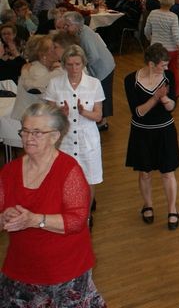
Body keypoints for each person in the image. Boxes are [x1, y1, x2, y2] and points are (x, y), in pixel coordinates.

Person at [0, 102, 106, 306]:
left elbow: (77, 221)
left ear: (55, 136)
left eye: (37, 133)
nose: (28, 138)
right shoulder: (9, 172)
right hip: (20, 270)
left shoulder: (69, 170)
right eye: (25, 131)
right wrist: (4, 218)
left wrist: (34, 220)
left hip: (65, 272)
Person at [44, 45, 104, 221]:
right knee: (64, 179)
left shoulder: (94, 84)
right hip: (65, 140)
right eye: (69, 64)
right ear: (64, 65)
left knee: (89, 179)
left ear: (83, 63)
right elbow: (49, 116)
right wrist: (60, 114)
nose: (74, 68)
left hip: (88, 140)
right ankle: (69, 214)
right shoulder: (55, 84)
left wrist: (84, 112)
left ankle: (86, 217)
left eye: (77, 64)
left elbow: (98, 116)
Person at [124, 43, 179, 230]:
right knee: (145, 173)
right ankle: (147, 205)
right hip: (141, 132)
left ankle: (172, 209)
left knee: (168, 173)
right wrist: (155, 97)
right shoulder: (130, 80)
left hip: (165, 131)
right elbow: (138, 112)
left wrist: (164, 98)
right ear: (150, 64)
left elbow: (172, 107)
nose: (166, 67)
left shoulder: (168, 77)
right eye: (163, 65)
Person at [63, 11, 115, 131]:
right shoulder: (82, 30)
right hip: (101, 65)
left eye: (67, 25)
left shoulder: (85, 36)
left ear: (76, 25)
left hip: (104, 67)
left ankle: (102, 122)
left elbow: (94, 56)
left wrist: (80, 65)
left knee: (103, 94)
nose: (65, 28)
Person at [10, 35, 63, 121]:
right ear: (42, 54)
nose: (56, 50)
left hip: (32, 116)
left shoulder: (36, 68)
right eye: (52, 48)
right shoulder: (37, 70)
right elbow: (44, 95)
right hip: (33, 118)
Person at [144, 0, 179, 97]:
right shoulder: (173, 16)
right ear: (172, 2)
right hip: (171, 49)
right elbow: (176, 35)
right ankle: (175, 93)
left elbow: (146, 30)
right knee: (174, 72)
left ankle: (154, 92)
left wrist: (151, 39)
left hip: (156, 49)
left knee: (155, 72)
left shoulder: (153, 13)